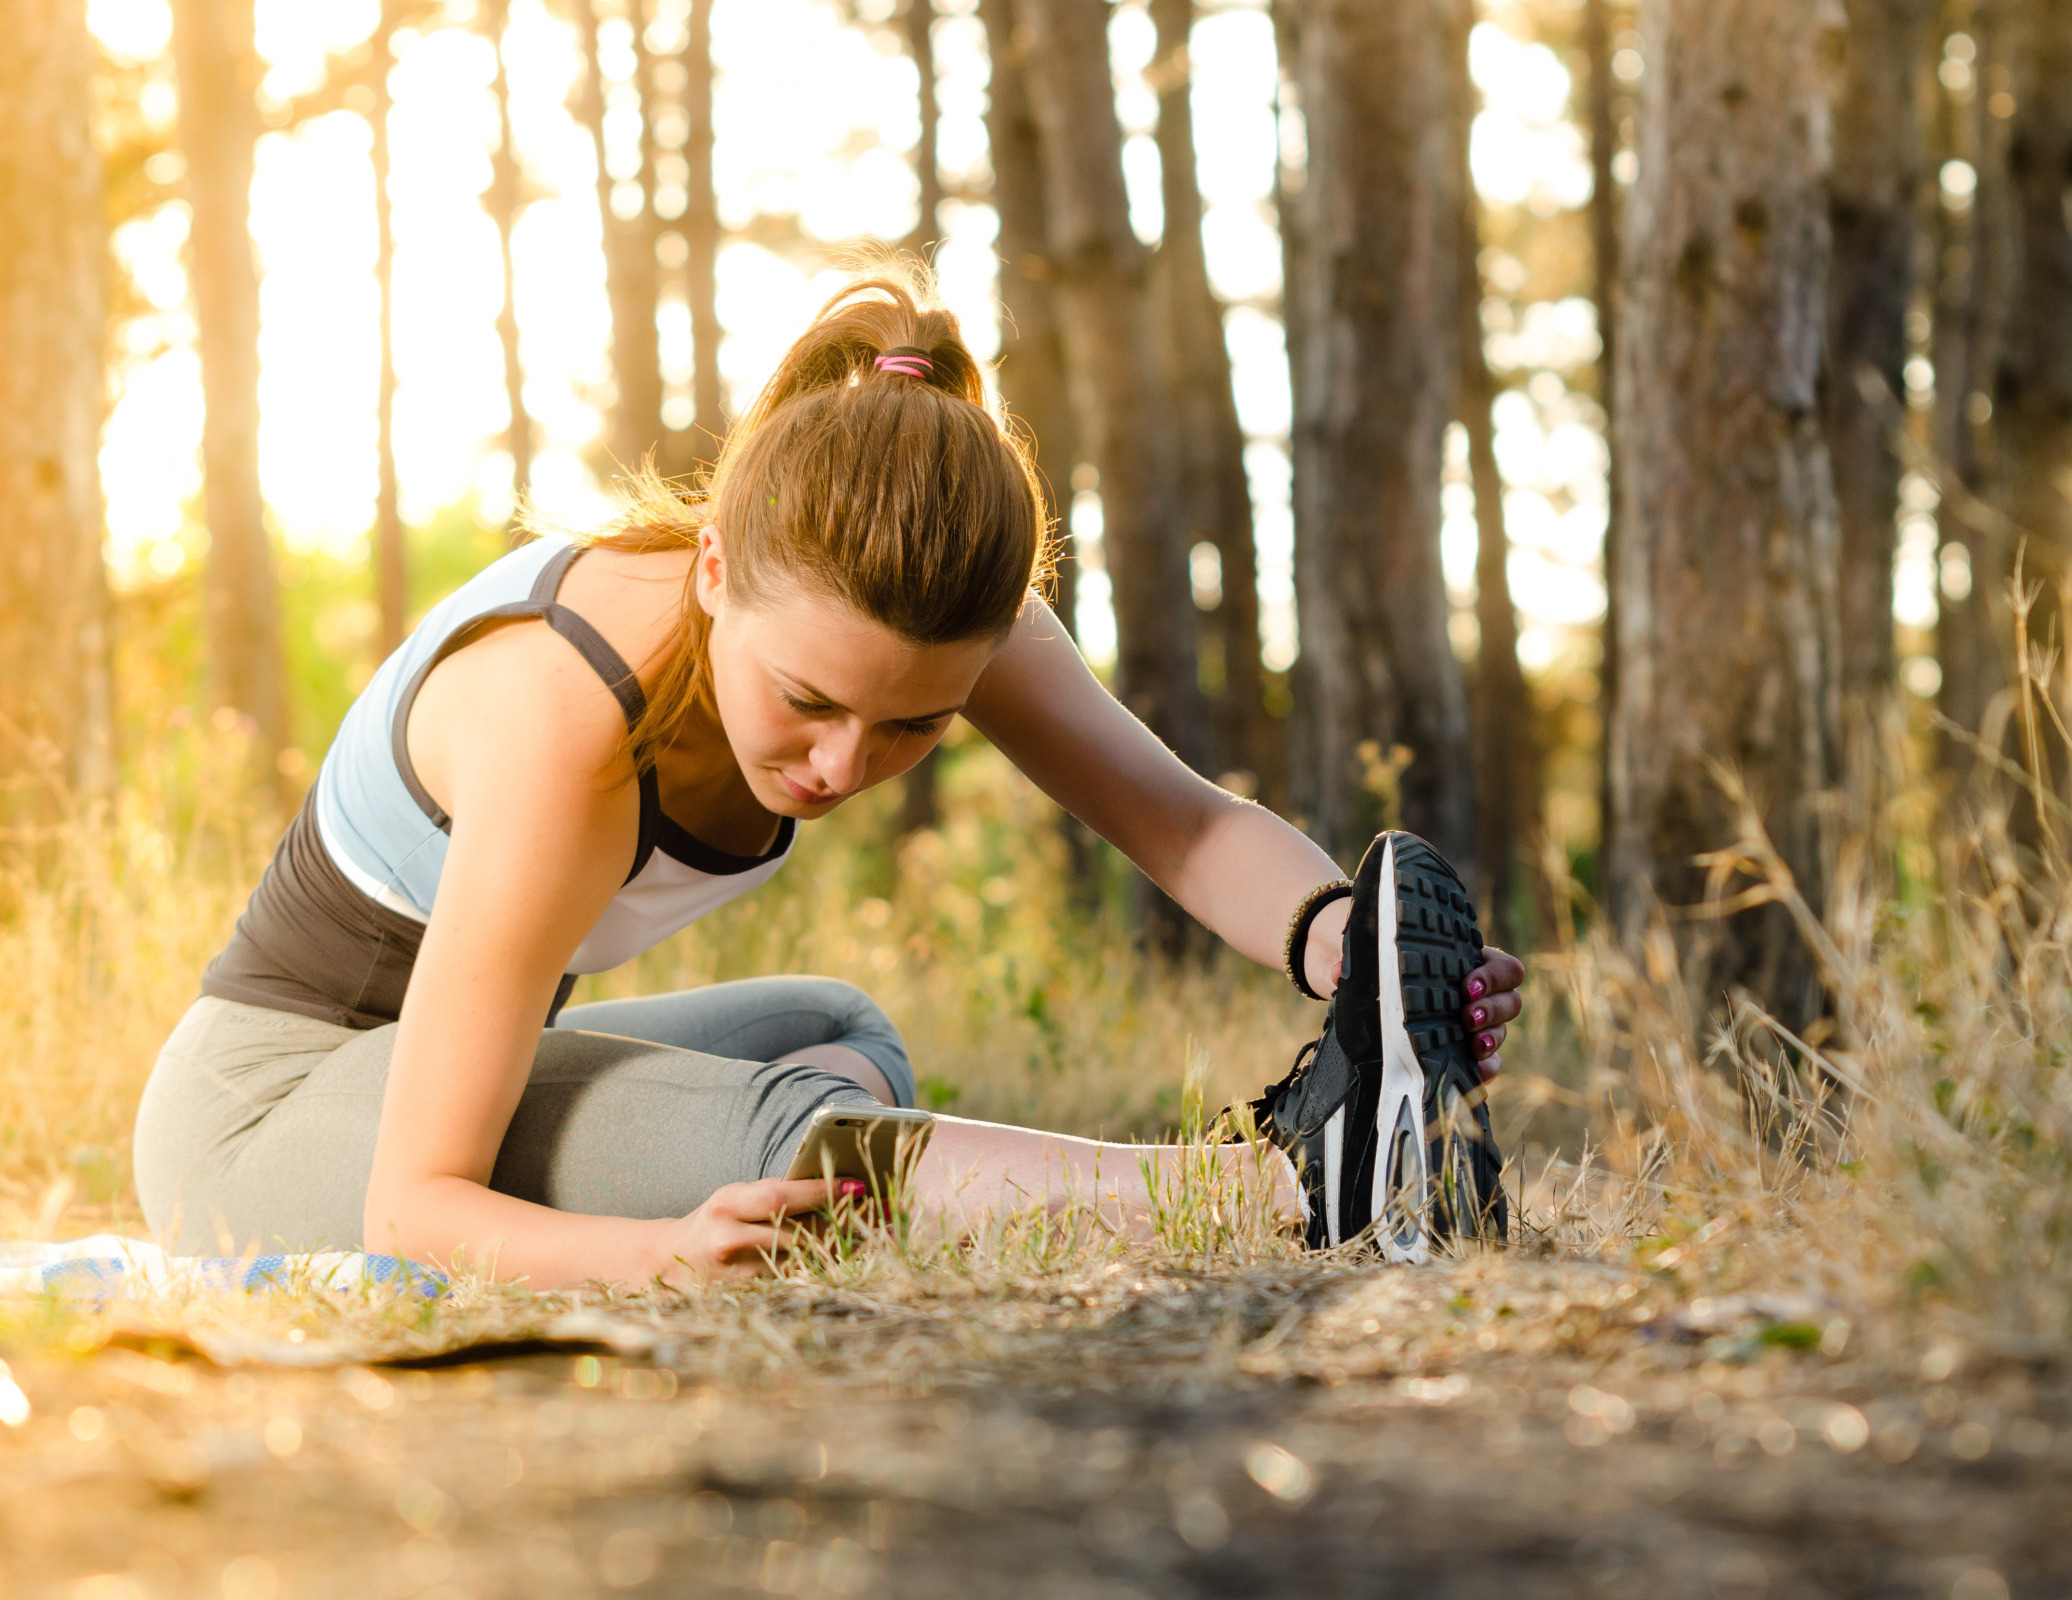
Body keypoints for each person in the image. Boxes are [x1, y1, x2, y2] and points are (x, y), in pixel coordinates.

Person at [133, 274, 1528, 1284]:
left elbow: (1184, 824)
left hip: (440, 1073)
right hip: (261, 1125)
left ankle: (1350, 1140)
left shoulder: (918, 609)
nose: (845, 765)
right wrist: (653, 1249)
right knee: (797, 1140)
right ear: (715, 571)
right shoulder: (566, 719)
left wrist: (1346, 948)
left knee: (838, 1029)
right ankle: (1288, 1190)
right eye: (806, 703)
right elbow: (412, 1207)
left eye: (913, 729)